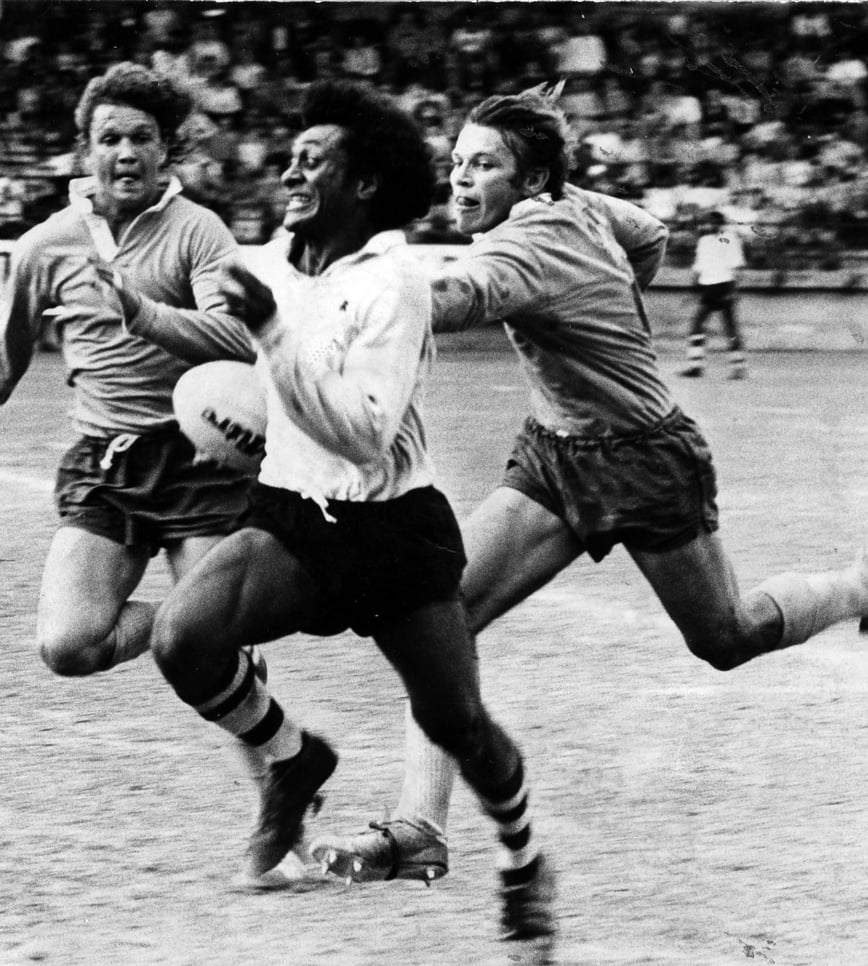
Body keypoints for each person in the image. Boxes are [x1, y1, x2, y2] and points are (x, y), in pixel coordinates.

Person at [308, 84, 868, 885]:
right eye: (458, 161)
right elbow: (650, 234)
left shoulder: (527, 246)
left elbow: (458, 297)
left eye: (484, 165)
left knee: (725, 637)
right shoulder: (578, 205)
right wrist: (600, 305)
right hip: (556, 455)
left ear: (533, 181)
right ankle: (418, 828)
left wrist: (332, 300)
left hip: (645, 463)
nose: (460, 178)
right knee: (442, 614)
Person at [120, 79, 557, 953]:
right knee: (183, 637)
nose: (289, 172)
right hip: (293, 517)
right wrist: (148, 323)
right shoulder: (273, 261)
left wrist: (274, 336)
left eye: (311, 160)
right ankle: (293, 758)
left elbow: (363, 433)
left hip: (393, 532)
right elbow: (235, 353)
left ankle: (524, 859)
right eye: (291, 156)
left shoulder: (395, 282)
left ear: (362, 185)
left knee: (457, 724)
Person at [0, 63, 274, 725]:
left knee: (210, 650)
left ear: (164, 149)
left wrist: (143, 313)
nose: (126, 152)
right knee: (68, 646)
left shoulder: (199, 230)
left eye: (141, 137)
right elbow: (7, 333)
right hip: (105, 464)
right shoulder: (47, 244)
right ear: (85, 150)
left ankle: (265, 739)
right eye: (110, 139)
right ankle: (201, 633)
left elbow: (238, 337)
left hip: (198, 461)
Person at [679, 209, 748, 380]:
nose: (711, 225)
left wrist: (734, 290)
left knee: (728, 327)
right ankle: (697, 366)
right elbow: (699, 267)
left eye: (715, 222)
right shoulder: (703, 241)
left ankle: (738, 366)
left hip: (724, 285)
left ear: (721, 223)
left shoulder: (730, 238)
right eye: (709, 222)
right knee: (699, 325)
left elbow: (737, 266)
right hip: (708, 286)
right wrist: (692, 290)